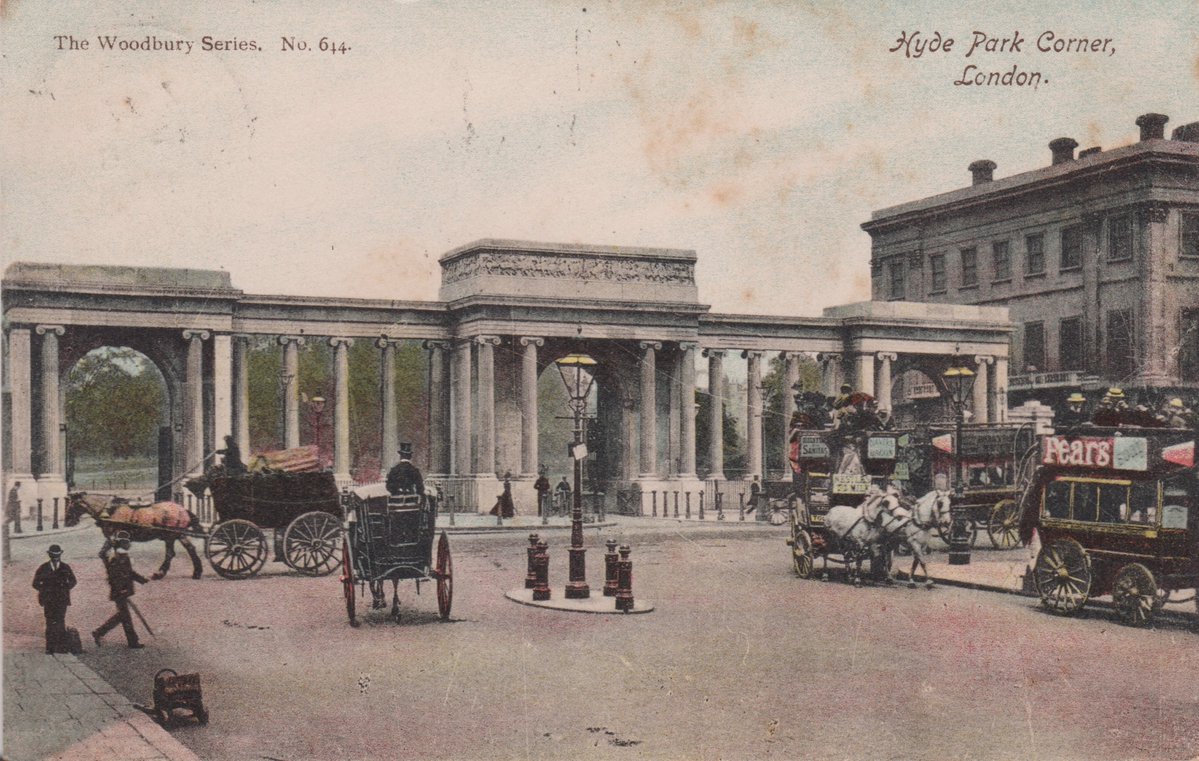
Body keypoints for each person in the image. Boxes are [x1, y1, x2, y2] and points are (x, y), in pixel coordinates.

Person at [93, 538, 148, 649]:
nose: (129, 544)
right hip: (119, 592)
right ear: (123, 545)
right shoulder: (115, 558)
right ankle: (131, 642)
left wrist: (142, 579)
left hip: (123, 591)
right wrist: (121, 590)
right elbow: (114, 577)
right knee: (124, 617)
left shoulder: (123, 557)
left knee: (123, 617)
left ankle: (100, 632)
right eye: (127, 543)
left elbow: (129, 572)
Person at [32, 544, 77, 654]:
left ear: (60, 555)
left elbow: (73, 581)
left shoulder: (65, 567)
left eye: (57, 555)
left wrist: (65, 588)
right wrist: (44, 590)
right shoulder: (43, 568)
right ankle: (50, 647)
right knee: (50, 622)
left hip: (61, 599)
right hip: (48, 600)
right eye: (53, 555)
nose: (56, 557)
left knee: (61, 621)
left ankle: (61, 647)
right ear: (50, 555)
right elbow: (35, 583)